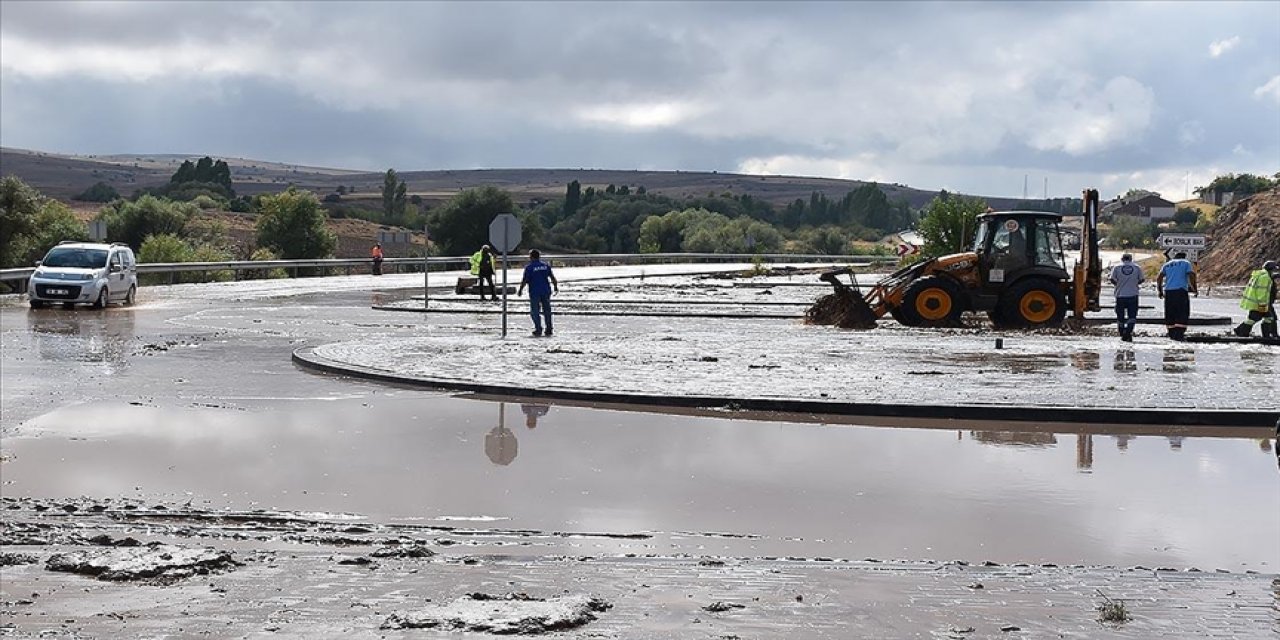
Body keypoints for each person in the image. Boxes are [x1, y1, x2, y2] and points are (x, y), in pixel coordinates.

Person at [1157, 251, 1197, 341]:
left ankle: (1171, 332)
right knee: (1182, 311)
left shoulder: (1167, 264)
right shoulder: (1186, 263)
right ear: (1184, 257)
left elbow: (1159, 278)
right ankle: (1179, 333)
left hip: (1169, 292)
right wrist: (1194, 288)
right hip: (1181, 291)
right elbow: (1191, 275)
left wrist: (1160, 291)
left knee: (1170, 312)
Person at [517, 249, 559, 337]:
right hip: (546, 290)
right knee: (547, 310)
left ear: (531, 257)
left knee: (535, 311)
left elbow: (525, 280)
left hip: (535, 291)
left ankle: (538, 329)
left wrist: (520, 289)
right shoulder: (545, 266)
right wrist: (555, 287)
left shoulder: (529, 268)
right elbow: (552, 277)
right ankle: (549, 329)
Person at [1233, 260, 1278, 338]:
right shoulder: (1265, 277)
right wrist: (1263, 305)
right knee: (1268, 318)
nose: (1274, 271)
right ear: (1271, 269)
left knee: (1254, 319)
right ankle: (1265, 336)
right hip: (1260, 303)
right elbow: (1262, 292)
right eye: (1274, 269)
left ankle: (1241, 331)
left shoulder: (1260, 274)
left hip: (1254, 302)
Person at [1108, 253, 1144, 342]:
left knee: (1120, 315)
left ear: (1122, 259)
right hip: (1133, 294)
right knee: (1132, 315)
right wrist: (1134, 284)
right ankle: (1128, 332)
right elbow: (1142, 279)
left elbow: (1111, 279)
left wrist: (1118, 285)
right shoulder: (1137, 267)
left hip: (1120, 295)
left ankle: (1122, 332)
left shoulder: (1117, 267)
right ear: (1131, 259)